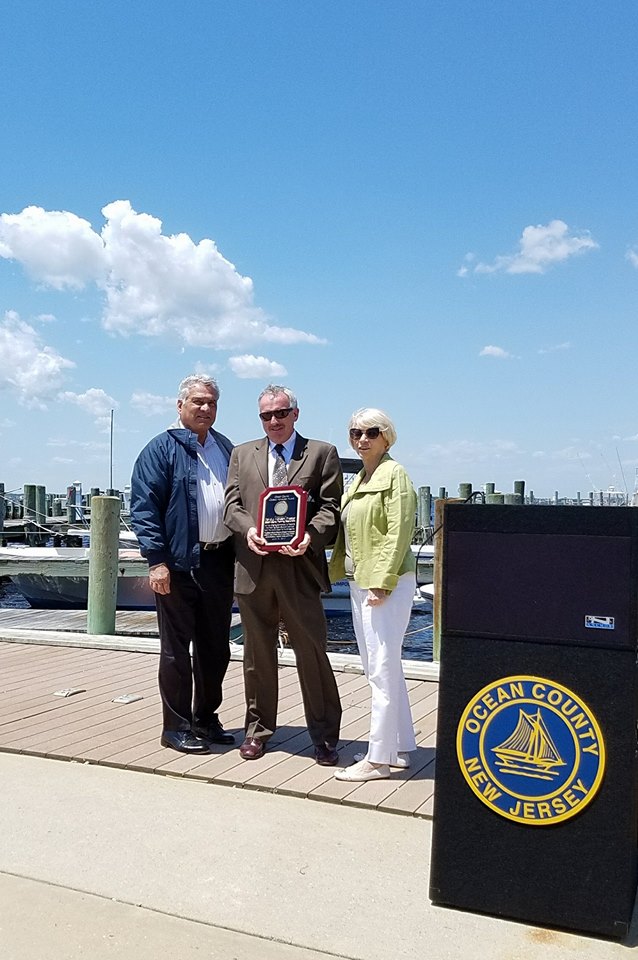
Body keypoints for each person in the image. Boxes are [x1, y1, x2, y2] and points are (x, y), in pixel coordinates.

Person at [223, 384, 343, 764]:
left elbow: (330, 509)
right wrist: (249, 531)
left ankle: (324, 737)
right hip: (254, 568)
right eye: (266, 415)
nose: (273, 421)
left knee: (312, 653)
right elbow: (231, 505)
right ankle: (257, 731)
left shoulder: (322, 453)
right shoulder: (242, 454)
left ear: (295, 413)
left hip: (299, 567)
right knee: (257, 657)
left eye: (280, 413)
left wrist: (309, 537)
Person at [130, 374, 235, 754]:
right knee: (176, 650)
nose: (205, 408)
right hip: (176, 564)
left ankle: (206, 718)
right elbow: (144, 508)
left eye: (211, 403)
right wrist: (156, 561)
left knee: (215, 648)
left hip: (219, 561)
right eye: (197, 402)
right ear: (180, 406)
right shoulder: (159, 450)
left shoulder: (225, 447)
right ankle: (175, 727)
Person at [329, 408, 417, 781]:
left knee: (380, 669)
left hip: (384, 583)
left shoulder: (394, 475)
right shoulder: (360, 479)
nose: (362, 439)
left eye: (371, 432)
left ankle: (377, 759)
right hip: (359, 579)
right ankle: (398, 746)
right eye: (355, 433)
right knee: (383, 665)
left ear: (387, 436)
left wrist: (383, 581)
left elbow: (400, 530)